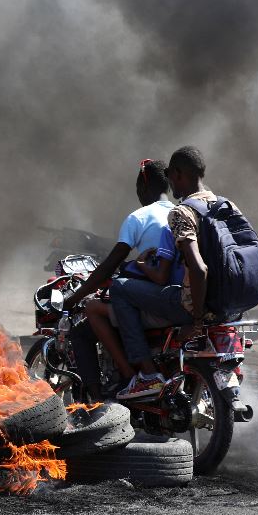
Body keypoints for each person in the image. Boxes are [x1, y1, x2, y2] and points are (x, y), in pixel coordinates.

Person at [110, 145, 230, 399]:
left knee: (119, 287)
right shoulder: (224, 206)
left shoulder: (180, 214)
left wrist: (197, 321)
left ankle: (148, 376)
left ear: (176, 174)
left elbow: (197, 269)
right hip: (224, 304)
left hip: (190, 303)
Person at [67, 159, 175, 401]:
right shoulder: (182, 213)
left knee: (86, 322)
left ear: (143, 187)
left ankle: (109, 395)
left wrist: (76, 296)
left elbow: (109, 266)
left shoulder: (139, 217)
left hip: (157, 303)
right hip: (179, 297)